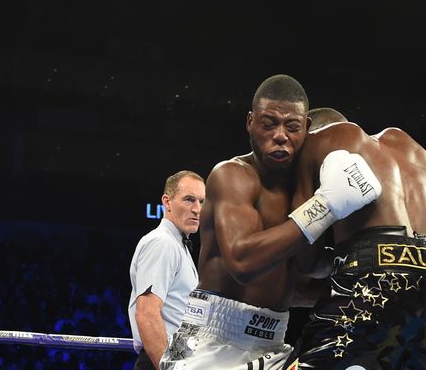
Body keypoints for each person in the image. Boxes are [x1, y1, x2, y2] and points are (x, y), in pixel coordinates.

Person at [159, 75, 382, 369]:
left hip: (272, 345)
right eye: (269, 124)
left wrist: (357, 272)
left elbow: (294, 284)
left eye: (292, 127)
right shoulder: (232, 176)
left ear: (306, 132)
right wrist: (325, 206)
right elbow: (243, 262)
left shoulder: (301, 195)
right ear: (250, 122)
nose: (280, 135)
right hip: (212, 346)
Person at [286, 109, 426, 369]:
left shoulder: (317, 142)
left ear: (308, 129)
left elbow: (308, 263)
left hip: (373, 277)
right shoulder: (417, 151)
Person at [128, 170, 205, 370]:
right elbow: (146, 314)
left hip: (177, 359)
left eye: (201, 202)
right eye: (189, 200)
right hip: (160, 360)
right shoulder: (162, 243)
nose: (197, 209)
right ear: (167, 202)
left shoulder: (179, 245)